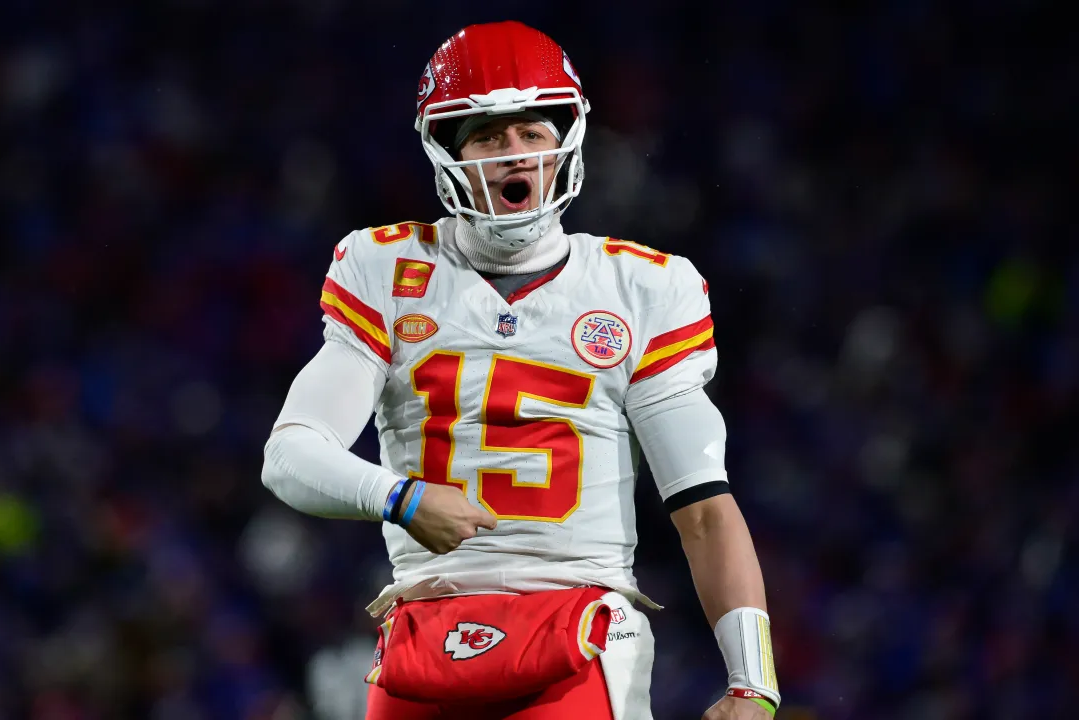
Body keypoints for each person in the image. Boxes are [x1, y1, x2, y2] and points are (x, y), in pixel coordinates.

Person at [262, 20, 780, 720]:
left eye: (532, 133)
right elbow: (290, 454)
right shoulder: (383, 269)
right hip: (425, 635)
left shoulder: (643, 287)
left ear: (564, 140)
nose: (516, 155)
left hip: (578, 633)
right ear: (448, 151)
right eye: (489, 136)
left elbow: (705, 508)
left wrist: (753, 682)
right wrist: (400, 498)